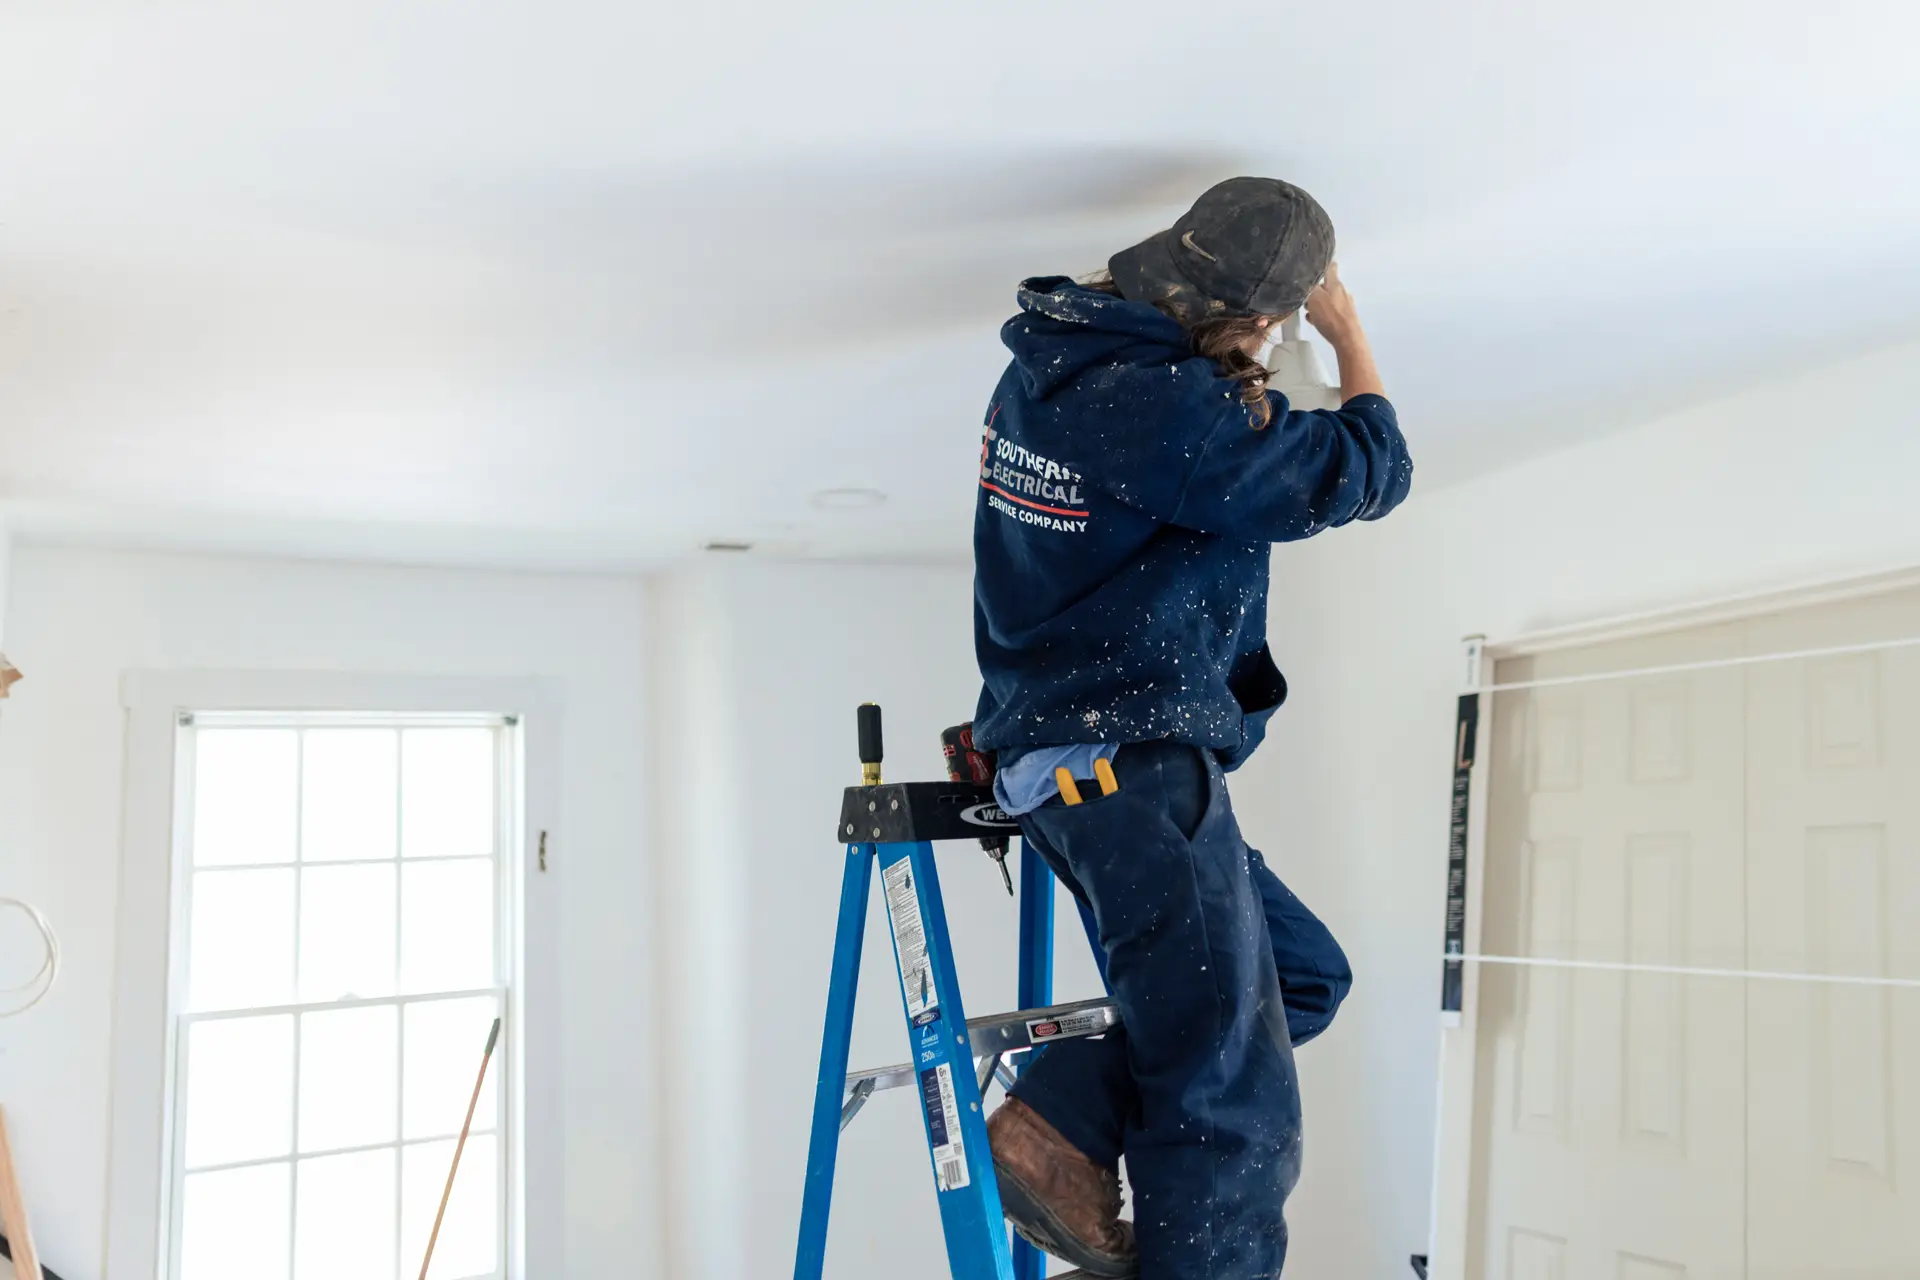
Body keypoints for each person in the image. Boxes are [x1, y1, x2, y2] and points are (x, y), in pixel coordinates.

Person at [970, 176, 1412, 1279]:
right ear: (1260, 318)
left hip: (1068, 761)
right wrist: (1348, 336)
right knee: (1231, 1108)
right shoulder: (1176, 416)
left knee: (1302, 978)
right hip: (1127, 771)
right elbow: (1370, 471)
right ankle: (1070, 1141)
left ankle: (1058, 1117)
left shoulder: (1050, 366)